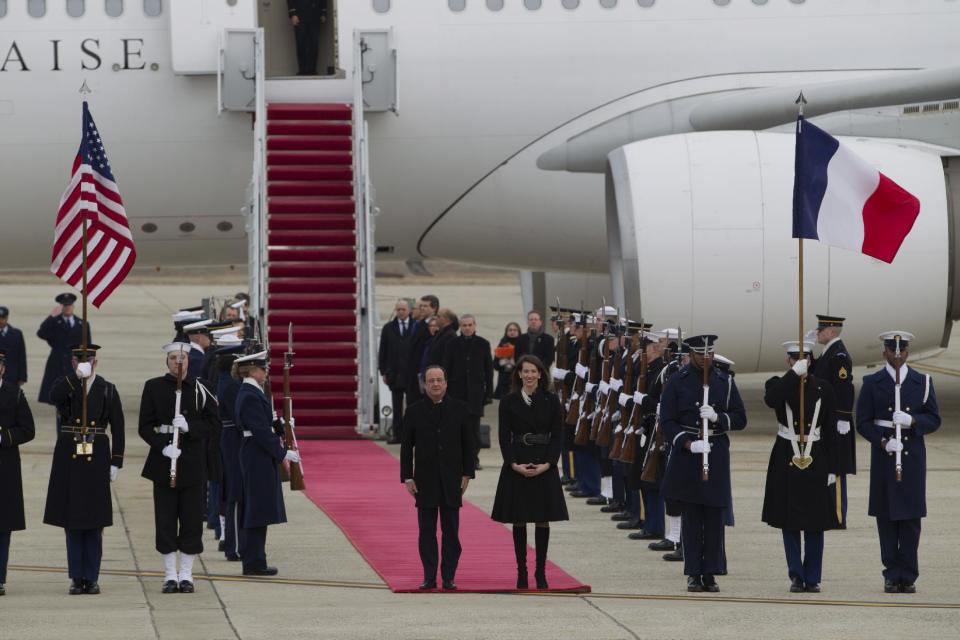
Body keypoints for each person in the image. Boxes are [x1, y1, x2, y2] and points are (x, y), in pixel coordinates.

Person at [660, 335, 746, 593]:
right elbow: (667, 421)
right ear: (692, 354)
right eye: (700, 354)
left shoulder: (724, 381)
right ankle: (693, 573)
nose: (705, 358)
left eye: (709, 353)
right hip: (689, 454)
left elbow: (740, 418)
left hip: (716, 452)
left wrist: (718, 417)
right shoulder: (678, 381)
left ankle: (711, 572)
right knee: (692, 516)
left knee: (714, 515)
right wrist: (686, 443)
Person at [856, 331, 940, 594]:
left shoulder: (922, 382)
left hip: (912, 457)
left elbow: (934, 419)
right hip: (885, 457)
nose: (897, 354)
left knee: (911, 519)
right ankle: (891, 573)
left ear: (907, 353)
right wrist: (883, 442)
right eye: (892, 350)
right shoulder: (873, 382)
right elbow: (863, 422)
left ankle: (909, 574)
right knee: (887, 518)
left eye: (901, 350)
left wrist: (913, 422)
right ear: (884, 353)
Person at [43, 344, 124, 595]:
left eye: (88, 361)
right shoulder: (66, 385)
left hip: (96, 454)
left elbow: (118, 428)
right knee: (73, 519)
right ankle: (76, 577)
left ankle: (92, 576)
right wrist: (75, 377)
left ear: (96, 363)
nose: (84, 364)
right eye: (79, 360)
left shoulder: (108, 389)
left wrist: (116, 461)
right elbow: (52, 396)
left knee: (94, 520)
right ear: (73, 362)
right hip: (70, 454)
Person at [139, 342, 219, 594]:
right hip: (163, 462)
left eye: (182, 357)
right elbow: (144, 425)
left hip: (192, 463)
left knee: (192, 520)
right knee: (165, 520)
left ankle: (186, 574)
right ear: (167, 362)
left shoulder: (201, 387)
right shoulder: (153, 387)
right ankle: (169, 574)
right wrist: (162, 445)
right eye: (173, 358)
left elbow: (214, 425)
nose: (178, 362)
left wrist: (190, 428)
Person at [762, 341, 842, 593]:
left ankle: (813, 577)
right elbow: (771, 399)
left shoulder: (823, 388)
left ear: (811, 359)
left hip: (816, 456)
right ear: (788, 361)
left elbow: (830, 430)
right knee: (790, 520)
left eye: (804, 357)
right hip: (787, 455)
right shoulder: (778, 383)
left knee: (815, 521)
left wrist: (833, 468)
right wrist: (793, 375)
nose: (799, 361)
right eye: (794, 358)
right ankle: (796, 574)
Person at [491, 355, 569, 589]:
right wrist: (513, 463)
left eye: (533, 371)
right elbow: (504, 436)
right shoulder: (509, 401)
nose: (529, 376)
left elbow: (558, 436)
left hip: (543, 464)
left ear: (541, 374)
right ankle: (522, 571)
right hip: (518, 463)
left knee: (542, 520)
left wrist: (549, 463)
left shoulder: (552, 400)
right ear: (518, 375)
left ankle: (541, 571)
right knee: (520, 519)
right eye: (525, 371)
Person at [400, 364, 476, 591]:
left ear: (445, 383)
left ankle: (449, 576)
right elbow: (406, 447)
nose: (435, 384)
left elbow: (468, 445)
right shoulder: (413, 411)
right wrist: (407, 477)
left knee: (451, 531)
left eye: (439, 380)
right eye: (431, 380)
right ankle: (429, 576)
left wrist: (467, 473)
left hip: (452, 479)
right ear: (424, 384)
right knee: (426, 532)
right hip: (424, 480)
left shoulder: (461, 409)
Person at [235, 351, 299, 576]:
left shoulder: (253, 392)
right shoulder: (250, 394)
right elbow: (261, 431)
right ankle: (253, 562)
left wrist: (281, 424)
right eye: (263, 368)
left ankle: (256, 559)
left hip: (257, 453)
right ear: (251, 370)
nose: (266, 372)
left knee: (259, 509)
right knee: (256, 509)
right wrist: (282, 453)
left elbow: (265, 423)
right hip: (256, 454)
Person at [810, 314, 855, 526]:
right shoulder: (828, 353)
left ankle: (837, 516)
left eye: (820, 330)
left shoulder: (838, 356)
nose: (817, 332)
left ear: (831, 331)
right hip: (827, 419)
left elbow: (843, 388)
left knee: (835, 466)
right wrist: (807, 348)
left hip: (837, 421)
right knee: (827, 463)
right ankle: (827, 513)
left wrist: (844, 417)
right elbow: (814, 373)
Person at [0, 348, 35, 597]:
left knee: (2, 527)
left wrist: (3, 437)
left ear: (2, 368)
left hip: (5, 467)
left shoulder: (14, 394)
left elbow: (27, 429)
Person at [443, 314, 494, 470]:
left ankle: (473, 459)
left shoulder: (483, 344)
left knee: (473, 430)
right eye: (464, 325)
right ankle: (457, 459)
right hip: (456, 393)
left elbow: (488, 371)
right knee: (456, 429)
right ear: (460, 327)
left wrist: (488, 394)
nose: (467, 328)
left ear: (475, 325)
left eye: (469, 325)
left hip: (475, 394)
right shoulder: (451, 344)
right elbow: (446, 368)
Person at [215, 336, 245, 562]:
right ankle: (233, 545)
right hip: (233, 438)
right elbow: (238, 417)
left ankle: (234, 542)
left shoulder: (226, 381)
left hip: (228, 436)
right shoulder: (231, 385)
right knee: (235, 490)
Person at [37, 293, 90, 405]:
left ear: (73, 306)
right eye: (65, 305)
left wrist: (87, 368)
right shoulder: (54, 322)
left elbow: (87, 348)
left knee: (74, 400)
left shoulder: (83, 324)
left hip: (74, 365)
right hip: (57, 364)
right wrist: (51, 316)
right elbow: (41, 333)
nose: (67, 307)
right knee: (57, 399)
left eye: (69, 305)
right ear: (61, 307)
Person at [378, 300, 414, 444]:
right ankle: (398, 434)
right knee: (397, 406)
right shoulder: (388, 328)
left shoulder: (415, 327)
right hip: (395, 374)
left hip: (411, 374)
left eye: (403, 309)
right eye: (398, 309)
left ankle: (411, 434)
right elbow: (383, 351)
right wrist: (383, 371)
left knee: (412, 406)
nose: (400, 312)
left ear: (409, 311)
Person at [287, 0, 327, 76]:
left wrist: (323, 12)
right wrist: (293, 13)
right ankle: (302, 70)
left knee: (314, 43)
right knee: (301, 43)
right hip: (299, 14)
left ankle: (312, 70)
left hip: (315, 13)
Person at [493, 322, 522, 400]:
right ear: (506, 332)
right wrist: (503, 362)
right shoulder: (502, 343)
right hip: (504, 381)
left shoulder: (523, 344)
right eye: (510, 330)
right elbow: (495, 365)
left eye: (515, 330)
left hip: (518, 380)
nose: (512, 332)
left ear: (519, 332)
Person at [0, 307, 27, 387]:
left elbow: (22, 356)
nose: (1, 321)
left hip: (12, 375)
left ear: (7, 318)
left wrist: (23, 376)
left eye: (3, 318)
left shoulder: (17, 334)